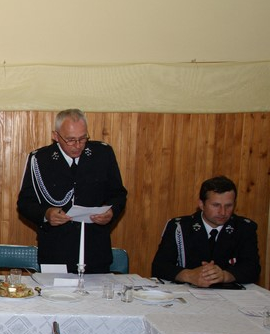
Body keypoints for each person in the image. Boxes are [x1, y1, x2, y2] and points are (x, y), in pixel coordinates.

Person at [17, 109, 127, 273]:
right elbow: (25, 203)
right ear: (56, 136)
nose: (78, 145)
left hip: (95, 251)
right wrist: (46, 214)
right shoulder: (40, 159)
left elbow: (118, 194)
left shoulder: (103, 154)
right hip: (56, 252)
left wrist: (111, 212)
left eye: (82, 138)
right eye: (70, 140)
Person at [151, 176, 260, 287]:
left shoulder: (244, 228)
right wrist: (189, 275)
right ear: (201, 204)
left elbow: (253, 268)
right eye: (216, 205)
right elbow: (159, 267)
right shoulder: (179, 227)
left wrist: (224, 276)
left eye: (228, 206)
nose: (223, 212)